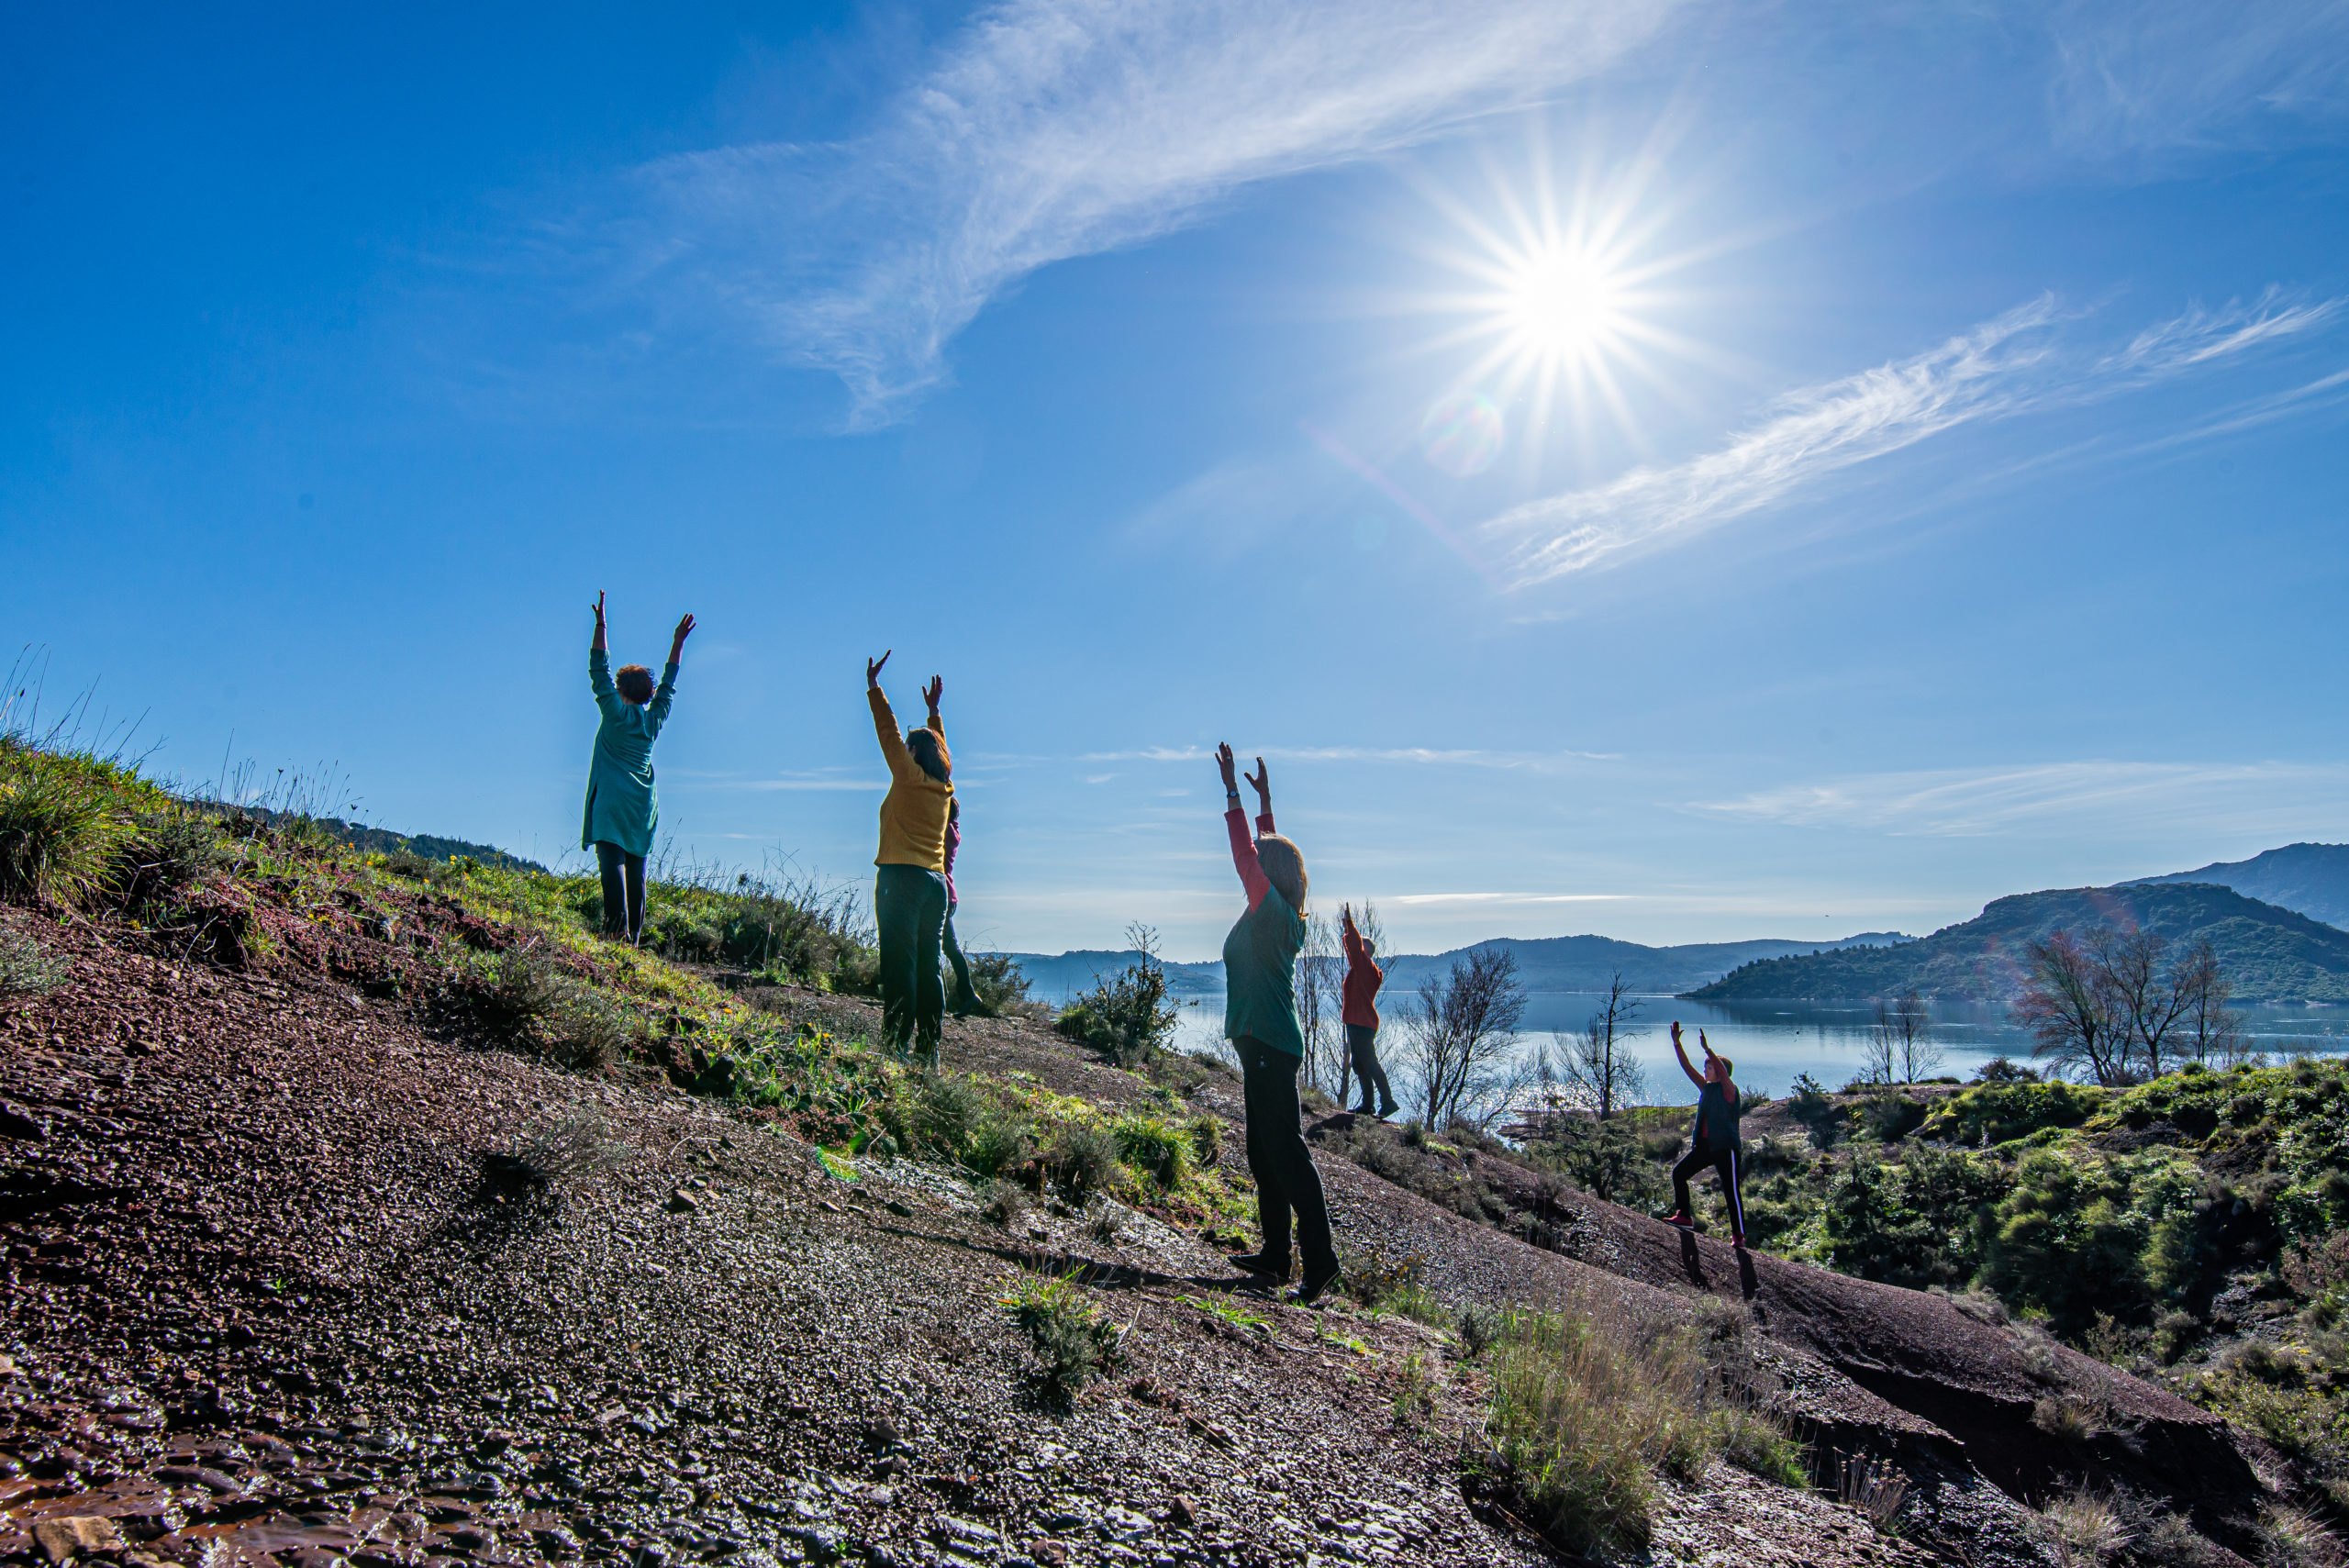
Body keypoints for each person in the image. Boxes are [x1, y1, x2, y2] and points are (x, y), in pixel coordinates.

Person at [1216, 743, 1341, 1305]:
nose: (1254, 866)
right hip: (1262, 1044)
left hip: (1269, 1043)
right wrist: (1266, 801)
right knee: (1264, 1153)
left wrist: (1232, 792)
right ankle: (1275, 1256)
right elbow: (1267, 853)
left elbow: (1248, 856)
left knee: (1286, 1154)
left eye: (1261, 864)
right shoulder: (1275, 910)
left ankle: (1321, 1263)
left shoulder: (1270, 912)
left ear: (1269, 876)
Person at [582, 593, 693, 944]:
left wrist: (601, 625)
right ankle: (633, 938)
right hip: (643, 805)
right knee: (636, 870)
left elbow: (598, 668)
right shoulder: (652, 721)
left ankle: (616, 931)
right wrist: (678, 642)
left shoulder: (614, 713)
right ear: (648, 695)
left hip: (612, 801)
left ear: (619, 690)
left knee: (611, 864)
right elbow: (669, 685)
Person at [866, 652, 954, 1065]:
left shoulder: (908, 775)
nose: (902, 749)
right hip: (935, 886)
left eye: (908, 748)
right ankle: (928, 1051)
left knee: (900, 966)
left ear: (914, 753)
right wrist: (934, 712)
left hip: (901, 880)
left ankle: (896, 1046)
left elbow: (888, 732)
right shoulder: (944, 789)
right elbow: (939, 749)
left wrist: (875, 688)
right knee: (928, 968)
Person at [1659, 1020, 1746, 1249]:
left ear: (1719, 1071)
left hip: (1726, 1147)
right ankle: (1684, 1216)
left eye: (1709, 1068)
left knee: (1731, 1191)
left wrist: (1708, 1050)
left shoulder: (1729, 1090)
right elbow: (1687, 1068)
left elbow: (1724, 1076)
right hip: (1706, 1147)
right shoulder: (1706, 1087)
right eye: (1706, 1067)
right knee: (1679, 1174)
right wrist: (1677, 1044)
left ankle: (1738, 1235)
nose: (1705, 1070)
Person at [1339, 904, 1397, 1118]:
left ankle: (1388, 1102)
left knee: (1369, 1063)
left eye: (1360, 949)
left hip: (1361, 1023)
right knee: (1360, 1064)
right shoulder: (1362, 969)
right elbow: (1353, 949)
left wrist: (1349, 924)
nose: (1354, 952)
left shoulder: (1365, 967)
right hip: (1358, 1022)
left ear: (1366, 952)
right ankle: (1368, 1106)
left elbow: (1354, 946)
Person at [941, 798, 989, 1018]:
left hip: (942, 894)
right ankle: (965, 994)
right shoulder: (953, 831)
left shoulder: (945, 832)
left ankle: (959, 995)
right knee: (948, 947)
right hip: (948, 895)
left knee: (946, 947)